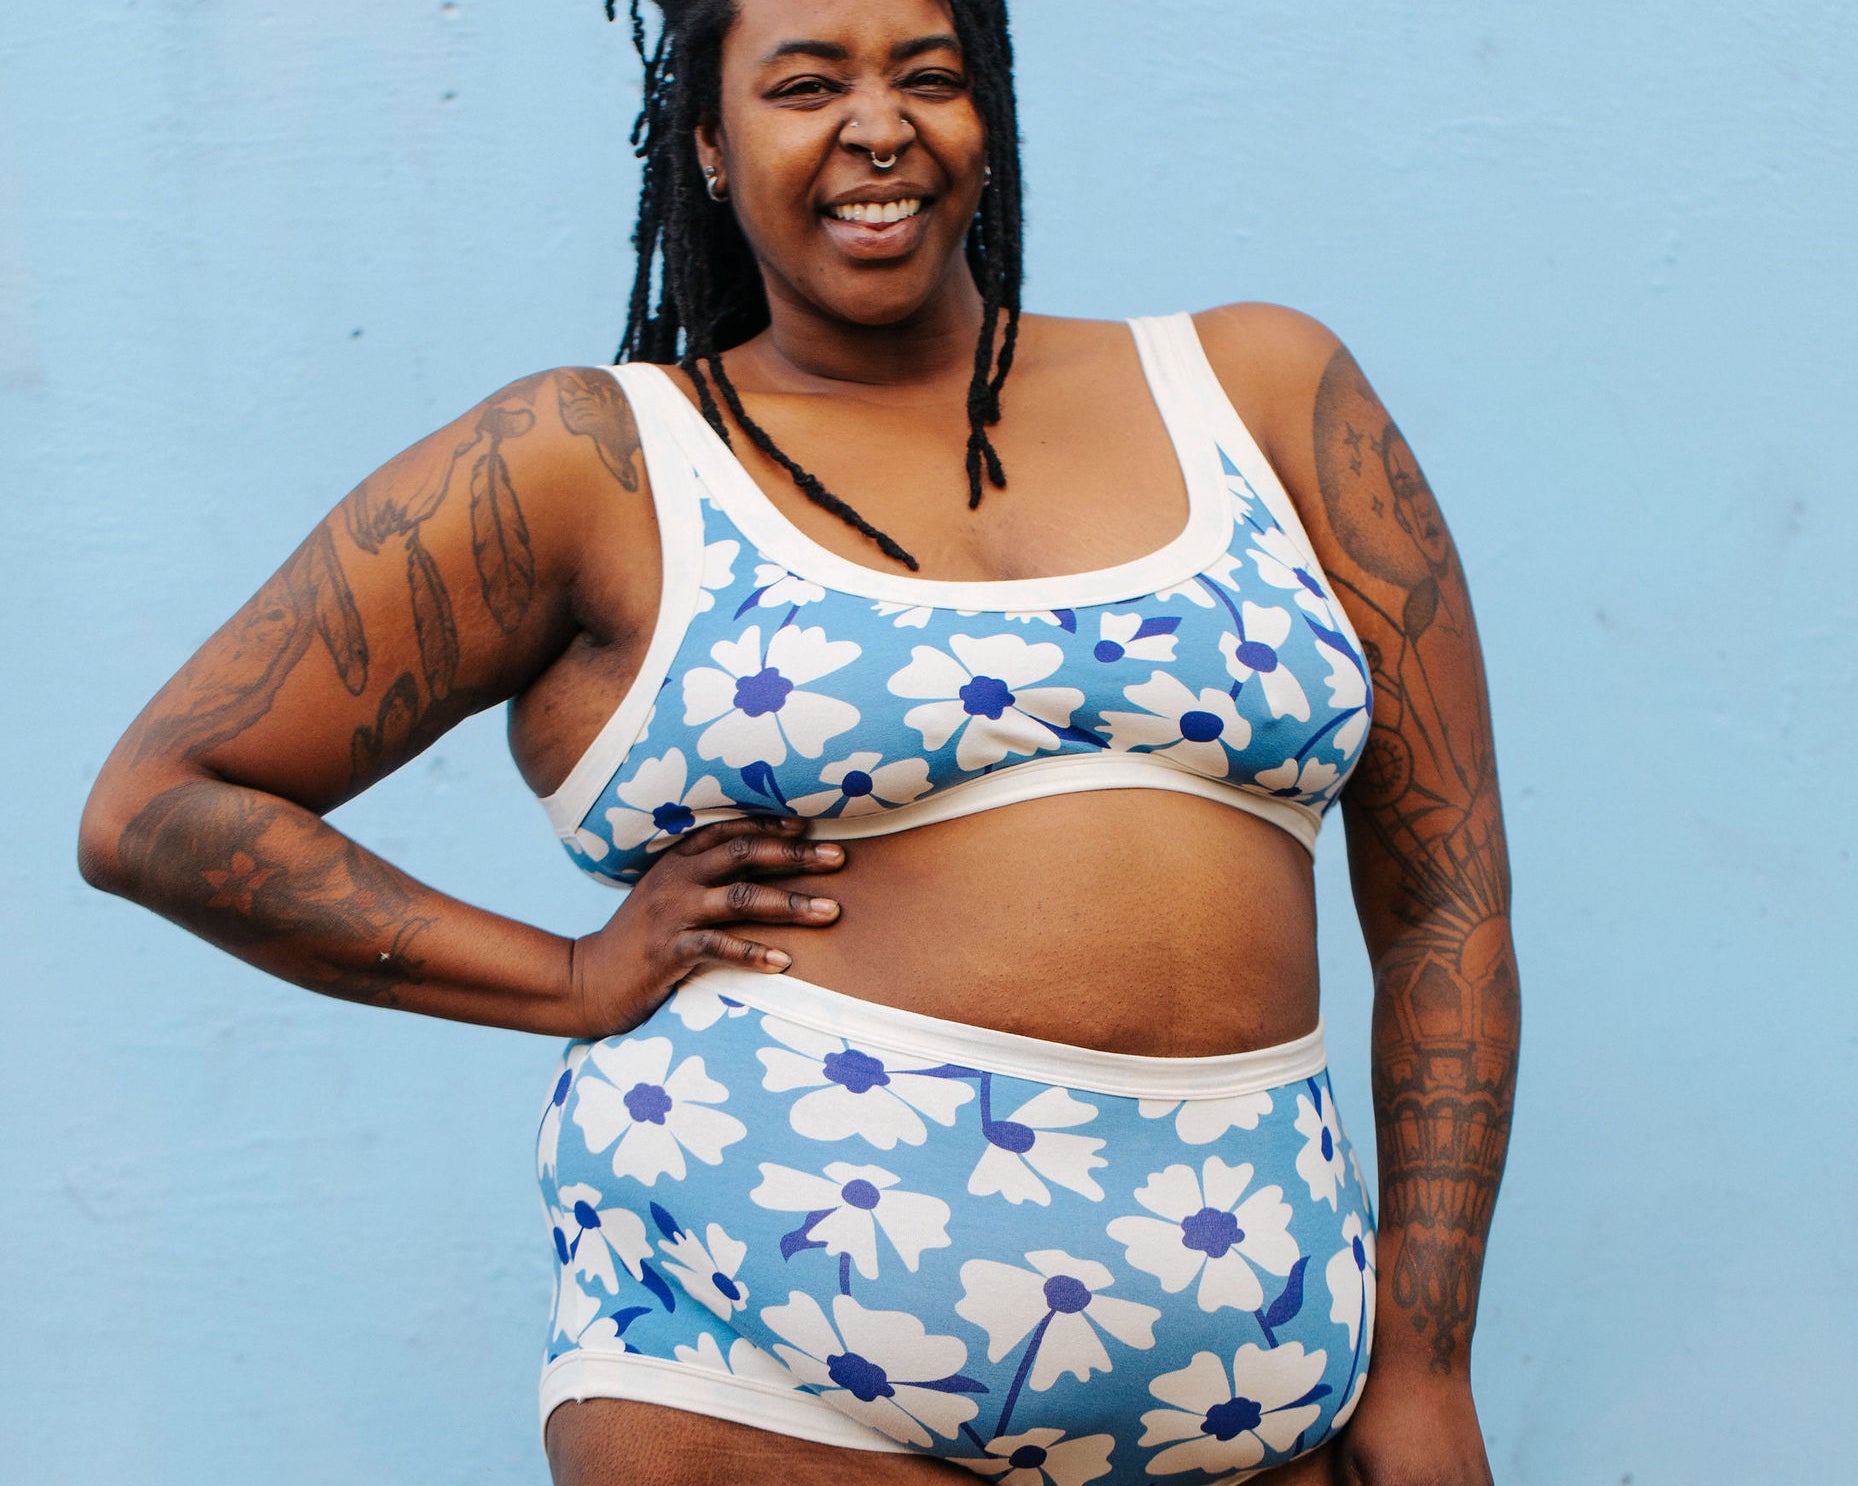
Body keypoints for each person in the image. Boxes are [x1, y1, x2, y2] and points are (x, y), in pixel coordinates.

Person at [77, 0, 1519, 1481]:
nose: (876, 125)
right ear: (707, 140)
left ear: (987, 118)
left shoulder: (1262, 392)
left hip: (1254, 1396)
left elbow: (1443, 902)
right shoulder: (591, 463)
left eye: (930, 75)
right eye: (806, 82)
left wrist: (1422, 1360)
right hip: (756, 1388)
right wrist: (566, 976)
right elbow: (163, 806)